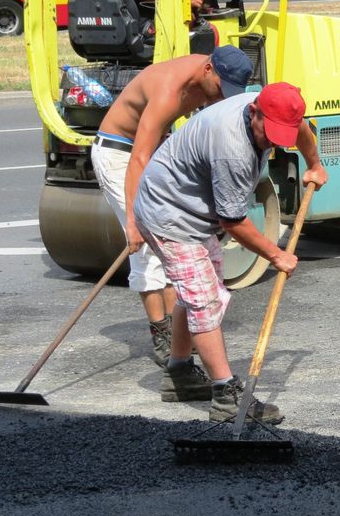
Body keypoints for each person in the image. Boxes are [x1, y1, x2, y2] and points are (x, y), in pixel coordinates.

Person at [132, 82, 328, 421]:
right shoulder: (232, 147)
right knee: (204, 301)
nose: (271, 142)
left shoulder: (277, 109)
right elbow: (234, 221)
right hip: (171, 216)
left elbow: (301, 130)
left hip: (190, 211)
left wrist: (314, 162)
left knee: (196, 294)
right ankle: (226, 396)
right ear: (254, 112)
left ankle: (179, 374)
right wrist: (275, 254)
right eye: (268, 133)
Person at [91, 46, 254, 366]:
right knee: (148, 246)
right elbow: (138, 158)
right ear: (209, 71)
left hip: (156, 154)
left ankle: (181, 331)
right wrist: (134, 222)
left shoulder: (209, 77)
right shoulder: (169, 90)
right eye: (222, 89)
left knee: (175, 242)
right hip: (120, 155)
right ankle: (162, 332)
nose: (223, 96)